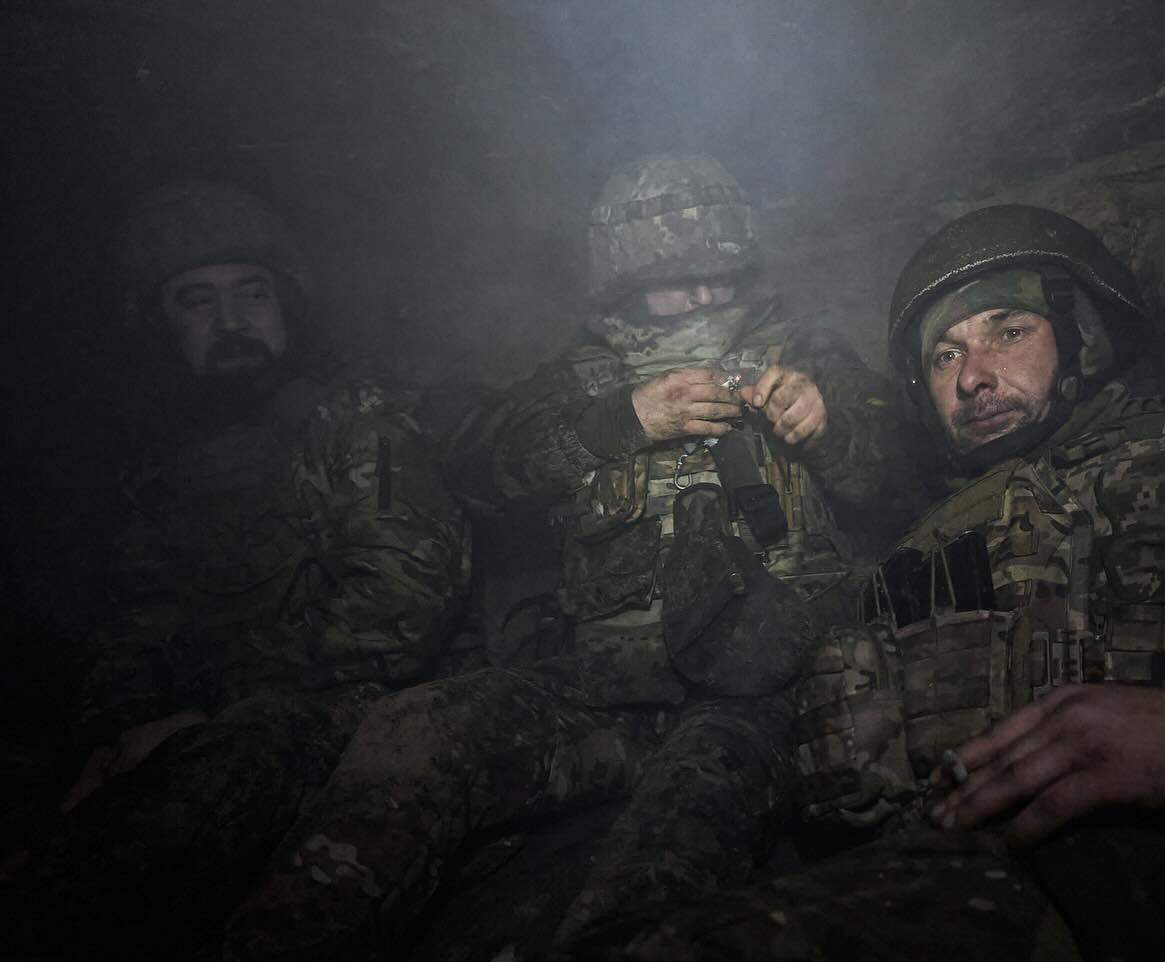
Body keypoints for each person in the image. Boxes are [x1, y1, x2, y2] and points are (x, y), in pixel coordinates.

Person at [572, 203, 1165, 962]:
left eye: (1009, 332)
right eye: (944, 356)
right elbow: (764, 723)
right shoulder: (920, 548)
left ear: (1085, 335)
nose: (973, 375)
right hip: (965, 882)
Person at [207, 152, 920, 961]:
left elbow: (900, 476)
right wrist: (618, 421)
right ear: (625, 282)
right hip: (610, 691)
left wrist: (826, 427)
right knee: (419, 732)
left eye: (719, 274)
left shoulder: (807, 351)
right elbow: (476, 468)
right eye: (676, 279)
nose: (704, 296)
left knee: (674, 833)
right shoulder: (583, 379)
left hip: (762, 689)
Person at [7, 180, 472, 957]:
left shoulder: (351, 424)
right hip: (225, 724)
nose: (231, 321)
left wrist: (205, 713)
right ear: (159, 325)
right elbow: (135, 625)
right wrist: (116, 734)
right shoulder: (163, 469)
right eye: (197, 301)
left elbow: (399, 608)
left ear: (289, 303)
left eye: (252, 292)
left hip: (352, 712)